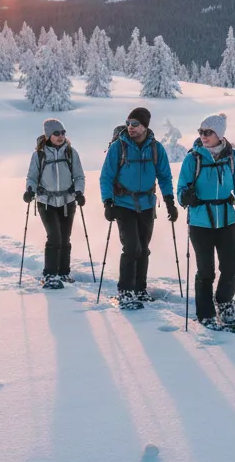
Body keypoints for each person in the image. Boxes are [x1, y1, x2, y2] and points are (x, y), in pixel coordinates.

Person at [176, 113, 235, 329]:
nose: (203, 136)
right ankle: (205, 314)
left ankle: (224, 302)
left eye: (208, 132)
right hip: (200, 221)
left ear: (219, 135)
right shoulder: (193, 158)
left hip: (226, 219)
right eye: (201, 132)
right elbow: (181, 188)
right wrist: (185, 197)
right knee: (206, 271)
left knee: (231, 267)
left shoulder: (232, 157)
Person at [99, 107, 177, 310]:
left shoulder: (156, 148)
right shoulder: (119, 147)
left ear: (145, 126)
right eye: (128, 123)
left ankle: (140, 290)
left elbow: (165, 176)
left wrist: (169, 200)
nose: (130, 128)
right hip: (123, 204)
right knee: (131, 248)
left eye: (135, 124)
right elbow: (106, 176)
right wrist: (107, 202)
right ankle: (126, 292)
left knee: (143, 249)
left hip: (147, 204)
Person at [24, 118, 86, 289]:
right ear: (48, 135)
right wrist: (30, 190)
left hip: (67, 201)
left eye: (63, 133)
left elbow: (79, 176)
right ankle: (50, 275)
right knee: (54, 237)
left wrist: (79, 192)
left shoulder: (71, 153)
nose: (61, 136)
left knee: (65, 238)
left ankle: (63, 273)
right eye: (57, 133)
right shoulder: (39, 155)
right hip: (46, 202)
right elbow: (32, 176)